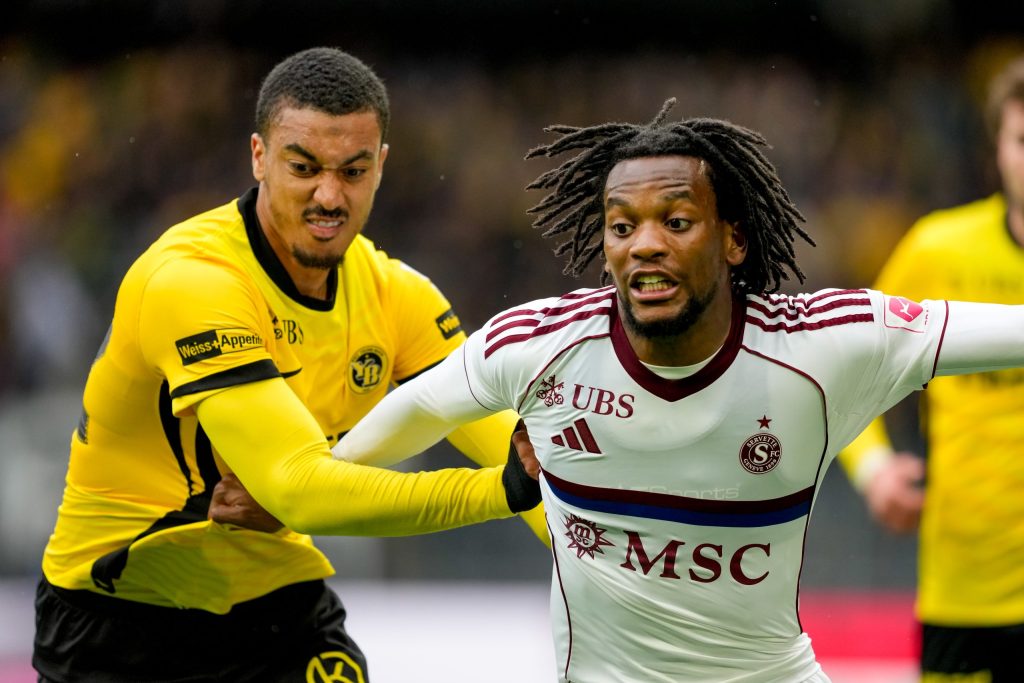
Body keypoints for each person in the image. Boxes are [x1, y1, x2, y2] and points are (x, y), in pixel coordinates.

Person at [210, 97, 1024, 682]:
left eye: (677, 221)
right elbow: (421, 406)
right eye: (622, 225)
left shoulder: (825, 346)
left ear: (734, 239)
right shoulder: (541, 346)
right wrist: (304, 486)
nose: (645, 245)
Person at [32, 46, 546, 683]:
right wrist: (501, 492)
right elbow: (297, 489)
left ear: (381, 167)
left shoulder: (399, 297)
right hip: (118, 615)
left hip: (275, 606)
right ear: (259, 157)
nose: (329, 196)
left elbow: (524, 454)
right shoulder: (193, 280)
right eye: (303, 167)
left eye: (353, 171)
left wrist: (609, 554)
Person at [837, 54, 1024, 681]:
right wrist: (874, 471)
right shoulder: (938, 250)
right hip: (966, 597)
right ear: (997, 148)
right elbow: (847, 368)